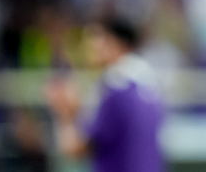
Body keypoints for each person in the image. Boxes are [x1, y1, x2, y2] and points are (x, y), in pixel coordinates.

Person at [45, 18, 166, 172]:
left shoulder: (114, 90)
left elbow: (76, 149)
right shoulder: (150, 87)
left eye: (97, 39)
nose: (90, 47)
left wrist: (65, 113)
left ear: (116, 44)